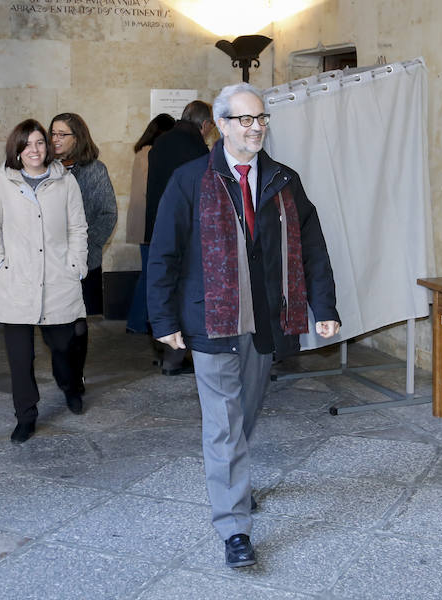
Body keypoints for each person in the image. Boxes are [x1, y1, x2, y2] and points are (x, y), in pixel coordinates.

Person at [147, 83, 340, 568]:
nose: (256, 127)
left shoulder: (282, 180)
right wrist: (164, 318)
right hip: (211, 321)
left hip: (266, 322)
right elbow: (164, 252)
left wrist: (325, 306)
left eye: (261, 119)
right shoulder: (191, 180)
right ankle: (234, 525)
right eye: (245, 120)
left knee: (244, 414)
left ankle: (233, 481)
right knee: (223, 424)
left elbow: (312, 246)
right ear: (222, 125)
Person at [0, 119, 88, 444]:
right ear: (17, 149)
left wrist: (76, 264)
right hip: (17, 282)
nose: (34, 150)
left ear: (48, 146)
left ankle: (71, 386)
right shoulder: (2, 181)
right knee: (20, 356)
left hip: (58, 280)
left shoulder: (65, 182)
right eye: (27, 144)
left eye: (40, 142)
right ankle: (26, 416)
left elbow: (78, 227)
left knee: (63, 347)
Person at [143, 100, 215, 374]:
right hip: (185, 231)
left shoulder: (161, 141)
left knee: (164, 288)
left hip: (158, 225)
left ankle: (169, 355)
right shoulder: (196, 149)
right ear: (206, 124)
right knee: (183, 293)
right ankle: (175, 357)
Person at [49, 113, 117, 401]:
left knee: (78, 324)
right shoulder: (45, 169)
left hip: (83, 262)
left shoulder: (94, 170)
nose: (55, 140)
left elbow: (107, 213)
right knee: (52, 324)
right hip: (50, 261)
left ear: (78, 137)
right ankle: (64, 373)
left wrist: (85, 248)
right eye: (52, 133)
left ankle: (74, 379)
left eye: (62, 134)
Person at [125, 113, 176, 334]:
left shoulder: (142, 152)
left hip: (144, 221)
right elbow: (150, 189)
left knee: (148, 273)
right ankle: (137, 322)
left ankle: (137, 321)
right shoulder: (151, 153)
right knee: (149, 274)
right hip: (149, 222)